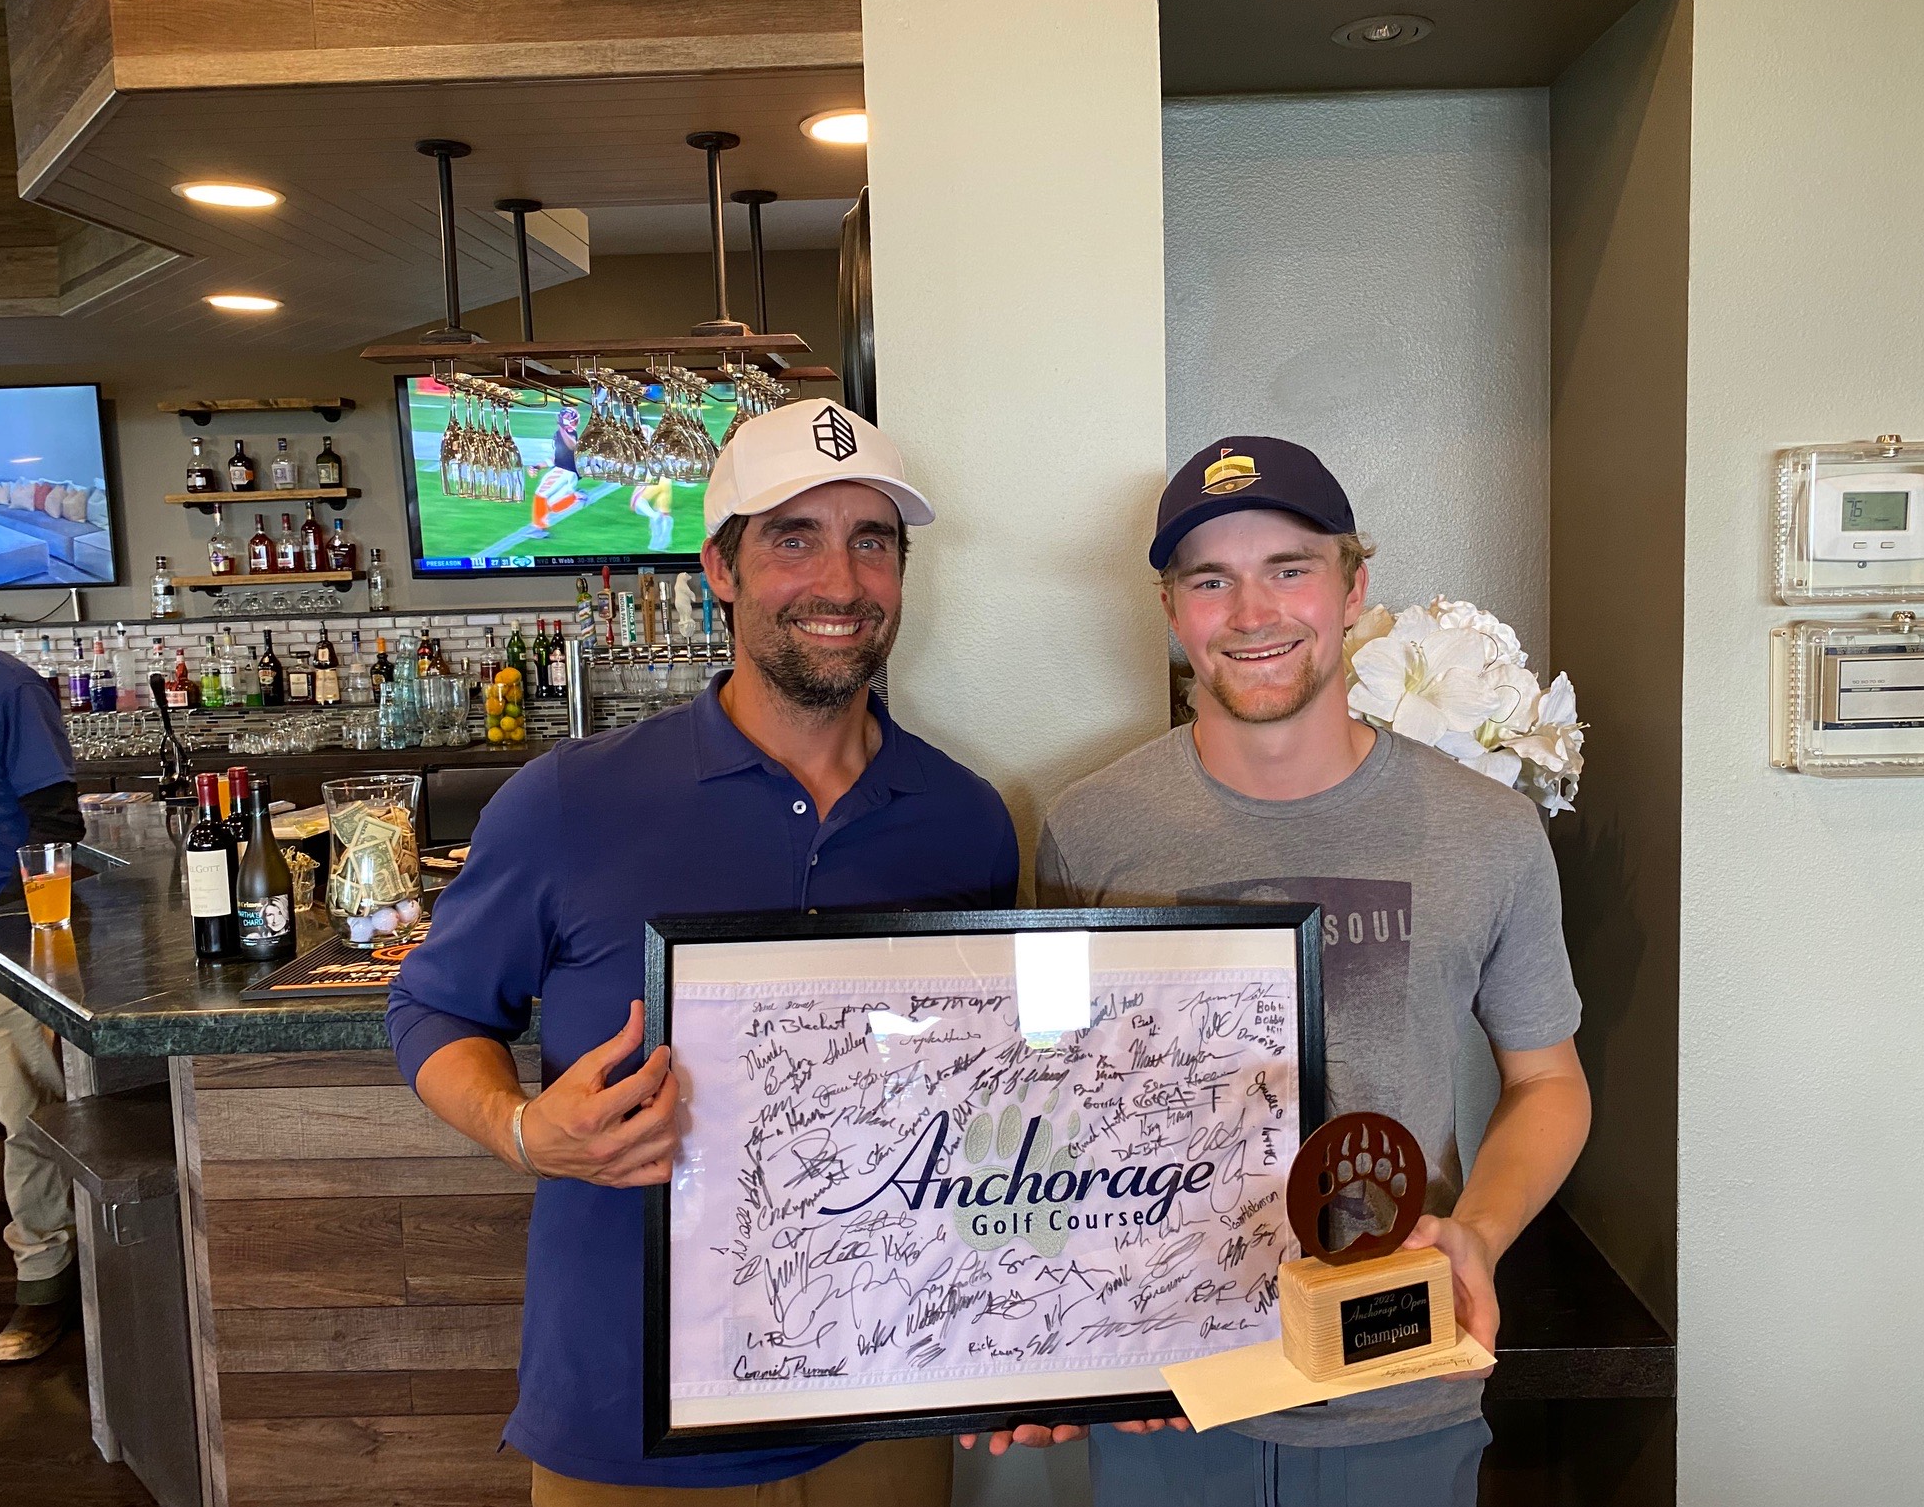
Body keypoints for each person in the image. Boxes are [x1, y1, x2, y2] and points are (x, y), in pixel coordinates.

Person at [388, 399, 1019, 1506]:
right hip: (629, 1415)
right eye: (794, 539)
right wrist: (524, 1130)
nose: (841, 581)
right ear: (720, 569)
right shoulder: (568, 801)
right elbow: (435, 1010)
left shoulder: (966, 819)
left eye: (872, 542)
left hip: (886, 1399)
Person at [1034, 438, 1592, 1506]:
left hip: (1400, 1383)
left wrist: (1477, 1234)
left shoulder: (1488, 831)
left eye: (1288, 568)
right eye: (1211, 580)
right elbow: (1054, 1104)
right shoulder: (1088, 827)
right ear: (1171, 609)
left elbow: (1548, 1081)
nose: (1252, 612)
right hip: (1171, 1392)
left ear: (1352, 586)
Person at [0, 642, 84, 1363]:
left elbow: (56, 821)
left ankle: (44, 1279)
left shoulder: (7, 688)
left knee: (28, 1111)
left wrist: (26, 930)